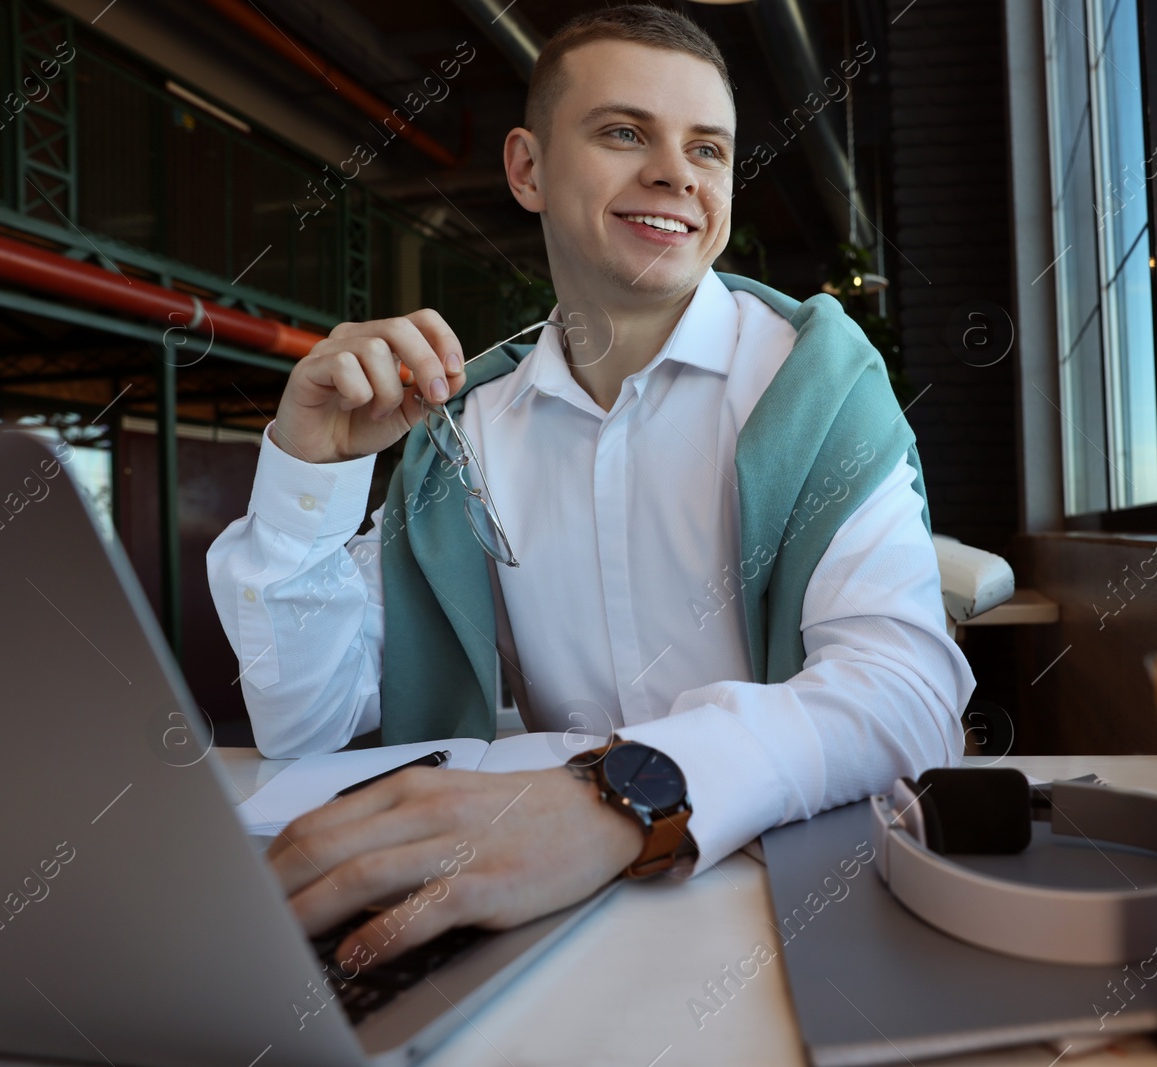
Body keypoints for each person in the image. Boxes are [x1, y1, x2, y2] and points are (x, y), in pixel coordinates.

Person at [207, 4, 973, 971]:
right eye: (624, 132)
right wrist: (309, 469)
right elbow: (306, 723)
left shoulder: (815, 382)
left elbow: (906, 697)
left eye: (708, 148)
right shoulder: (464, 427)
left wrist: (624, 796)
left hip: (774, 895)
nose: (675, 173)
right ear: (527, 168)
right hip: (529, 909)